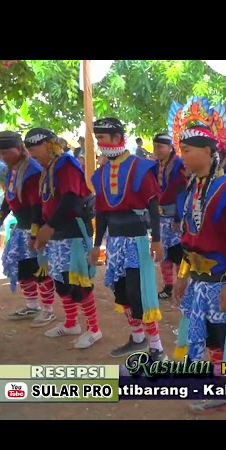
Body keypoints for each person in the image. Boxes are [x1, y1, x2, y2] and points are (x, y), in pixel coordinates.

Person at [172, 125, 226, 420]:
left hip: (221, 279)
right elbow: (189, 237)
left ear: (208, 153)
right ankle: (224, 397)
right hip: (198, 280)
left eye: (187, 151)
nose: (181, 156)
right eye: (181, 150)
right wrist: (183, 275)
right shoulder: (193, 188)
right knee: (211, 341)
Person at [89, 118, 165, 359]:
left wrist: (157, 239)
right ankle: (138, 338)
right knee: (121, 292)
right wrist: (96, 244)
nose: (99, 143)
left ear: (116, 138)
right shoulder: (99, 174)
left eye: (102, 138)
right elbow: (101, 212)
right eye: (97, 138)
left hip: (136, 239)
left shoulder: (141, 167)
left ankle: (157, 348)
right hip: (115, 241)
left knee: (139, 293)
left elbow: (153, 205)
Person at [26, 128, 102, 349]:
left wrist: (48, 227)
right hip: (57, 233)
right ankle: (71, 324)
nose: (31, 153)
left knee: (79, 282)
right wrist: (39, 230)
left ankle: (94, 329)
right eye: (28, 149)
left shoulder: (66, 164)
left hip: (73, 232)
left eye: (34, 148)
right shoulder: (47, 168)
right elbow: (45, 203)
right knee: (60, 281)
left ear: (49, 144)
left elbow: (70, 201)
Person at [0, 131, 56, 326]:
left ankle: (48, 309)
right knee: (21, 268)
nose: (3, 157)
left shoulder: (33, 170)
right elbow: (8, 199)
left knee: (40, 270)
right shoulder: (12, 168)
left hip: (34, 225)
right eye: (0, 154)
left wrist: (35, 234)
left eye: (6, 153)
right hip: (21, 227)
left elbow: (37, 205)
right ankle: (32, 305)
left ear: (19, 149)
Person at [152, 133, 187, 300]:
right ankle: (168, 285)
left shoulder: (178, 164)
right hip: (160, 216)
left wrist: (179, 217)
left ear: (170, 147)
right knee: (164, 254)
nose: (156, 150)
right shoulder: (156, 165)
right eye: (155, 146)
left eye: (160, 146)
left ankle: (182, 287)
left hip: (175, 217)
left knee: (178, 254)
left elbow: (181, 192)